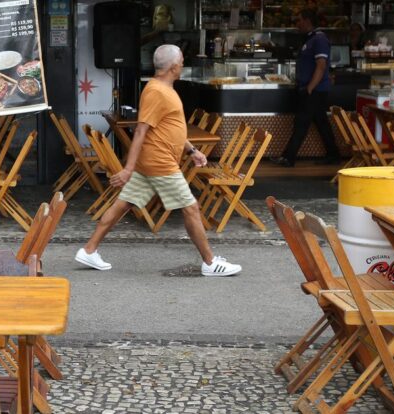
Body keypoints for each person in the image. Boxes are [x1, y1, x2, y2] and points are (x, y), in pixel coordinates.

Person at [74, 44, 242, 277]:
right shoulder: (156, 91)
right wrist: (127, 169)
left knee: (124, 203)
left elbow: (169, 127)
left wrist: (192, 150)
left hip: (153, 162)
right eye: (182, 60)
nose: (183, 63)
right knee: (191, 208)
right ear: (174, 66)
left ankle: (89, 250)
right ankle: (210, 262)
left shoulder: (164, 89)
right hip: (160, 163)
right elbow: (141, 131)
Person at [271, 9, 341, 167]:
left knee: (301, 122)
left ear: (308, 21)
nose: (297, 24)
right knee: (321, 122)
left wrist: (310, 88)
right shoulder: (310, 39)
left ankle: (288, 158)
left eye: (299, 20)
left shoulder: (319, 39)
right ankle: (333, 154)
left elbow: (321, 66)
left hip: (315, 90)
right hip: (311, 88)